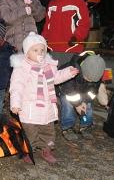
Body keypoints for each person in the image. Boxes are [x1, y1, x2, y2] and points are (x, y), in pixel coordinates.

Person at [9, 32, 78, 164]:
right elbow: (17, 86)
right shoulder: (22, 68)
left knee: (47, 131)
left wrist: (68, 73)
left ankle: (46, 149)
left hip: (47, 108)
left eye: (42, 50)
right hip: (29, 109)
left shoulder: (49, 66)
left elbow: (55, 78)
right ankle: (28, 149)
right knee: (30, 132)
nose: (40, 53)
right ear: (27, 52)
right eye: (35, 50)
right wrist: (15, 103)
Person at [41, 0, 90, 64]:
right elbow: (48, 24)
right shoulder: (52, 2)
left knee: (70, 76)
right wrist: (43, 38)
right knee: (54, 76)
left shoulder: (78, 1)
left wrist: (77, 37)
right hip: (53, 47)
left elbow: (84, 23)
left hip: (71, 46)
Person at [56, 52, 108, 141]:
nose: (90, 80)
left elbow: (93, 91)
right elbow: (69, 90)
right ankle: (67, 127)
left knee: (88, 106)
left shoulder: (97, 75)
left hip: (82, 90)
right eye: (87, 78)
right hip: (65, 89)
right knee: (67, 103)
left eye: (93, 80)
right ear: (83, 69)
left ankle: (86, 125)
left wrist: (85, 101)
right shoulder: (72, 69)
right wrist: (77, 105)